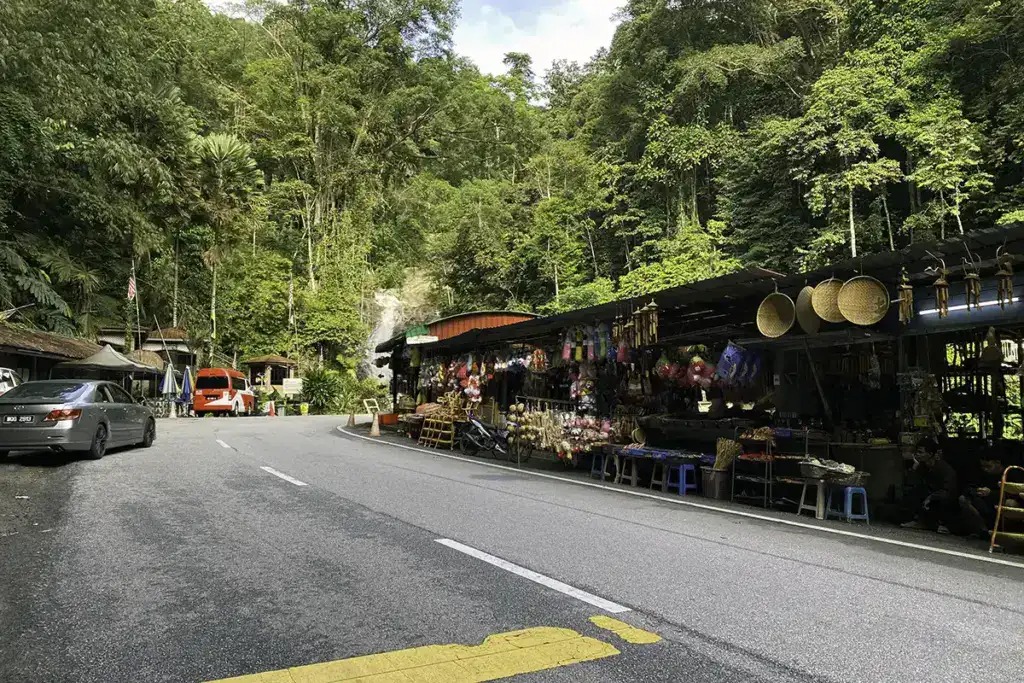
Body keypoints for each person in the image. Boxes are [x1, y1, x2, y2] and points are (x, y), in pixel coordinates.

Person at [901, 437, 959, 534]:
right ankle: (919, 521)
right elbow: (911, 483)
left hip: (943, 500)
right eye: (916, 452)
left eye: (920, 452)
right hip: (929, 497)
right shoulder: (922, 466)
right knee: (912, 491)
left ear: (930, 454)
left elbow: (949, 491)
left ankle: (945, 524)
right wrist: (914, 469)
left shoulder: (945, 469)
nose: (917, 455)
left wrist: (931, 497)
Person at [959, 456, 1005, 538]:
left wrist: (991, 493)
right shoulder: (983, 474)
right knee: (963, 499)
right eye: (983, 467)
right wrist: (976, 491)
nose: (985, 469)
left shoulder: (1009, 474)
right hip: (984, 506)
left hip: (999, 507)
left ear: (997, 463)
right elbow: (970, 486)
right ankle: (982, 530)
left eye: (988, 466)